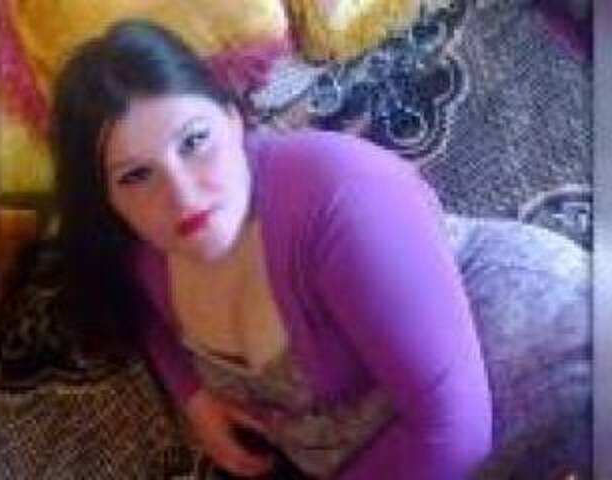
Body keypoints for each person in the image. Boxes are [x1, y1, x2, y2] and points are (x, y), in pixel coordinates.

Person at [51, 19, 492, 479]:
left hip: (512, 399)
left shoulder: (344, 200)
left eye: (194, 141)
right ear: (107, 199)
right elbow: (139, 303)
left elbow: (455, 432)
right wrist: (194, 399)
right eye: (136, 175)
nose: (183, 196)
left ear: (232, 119)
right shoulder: (143, 248)